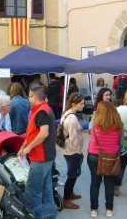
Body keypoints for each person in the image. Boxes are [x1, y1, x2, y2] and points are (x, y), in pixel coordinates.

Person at [18, 86, 57, 218]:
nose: (28, 99)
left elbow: (43, 133)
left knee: (33, 191)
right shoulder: (42, 110)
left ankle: (34, 215)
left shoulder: (41, 111)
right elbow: (32, 134)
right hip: (45, 157)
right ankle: (50, 216)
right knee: (46, 190)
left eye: (29, 96)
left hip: (41, 157)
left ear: (34, 97)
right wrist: (23, 147)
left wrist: (28, 148)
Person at [88, 101, 123, 218]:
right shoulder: (118, 125)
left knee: (95, 183)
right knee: (109, 183)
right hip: (111, 157)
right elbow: (120, 143)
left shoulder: (95, 123)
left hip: (94, 155)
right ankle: (109, 210)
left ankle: (94, 210)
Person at [60, 92, 85, 209]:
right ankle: (66, 200)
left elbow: (74, 130)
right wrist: (78, 151)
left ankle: (70, 193)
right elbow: (74, 137)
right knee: (72, 175)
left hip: (67, 149)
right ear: (74, 104)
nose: (83, 105)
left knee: (73, 174)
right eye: (81, 103)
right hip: (72, 151)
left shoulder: (67, 113)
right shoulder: (72, 118)